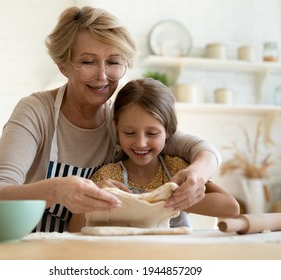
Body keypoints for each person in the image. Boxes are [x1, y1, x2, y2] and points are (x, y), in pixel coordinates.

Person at [0, 6, 223, 233]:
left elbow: (204, 151)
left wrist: (196, 174)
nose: (103, 76)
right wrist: (57, 190)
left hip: (89, 255)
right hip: (33, 246)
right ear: (63, 65)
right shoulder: (36, 111)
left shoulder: (122, 122)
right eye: (88, 62)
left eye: (114, 62)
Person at [69, 78, 240, 231]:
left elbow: (231, 207)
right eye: (129, 133)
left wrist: (170, 202)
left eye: (151, 133)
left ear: (169, 131)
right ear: (116, 128)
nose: (141, 143)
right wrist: (91, 195)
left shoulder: (177, 170)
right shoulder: (109, 175)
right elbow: (74, 231)